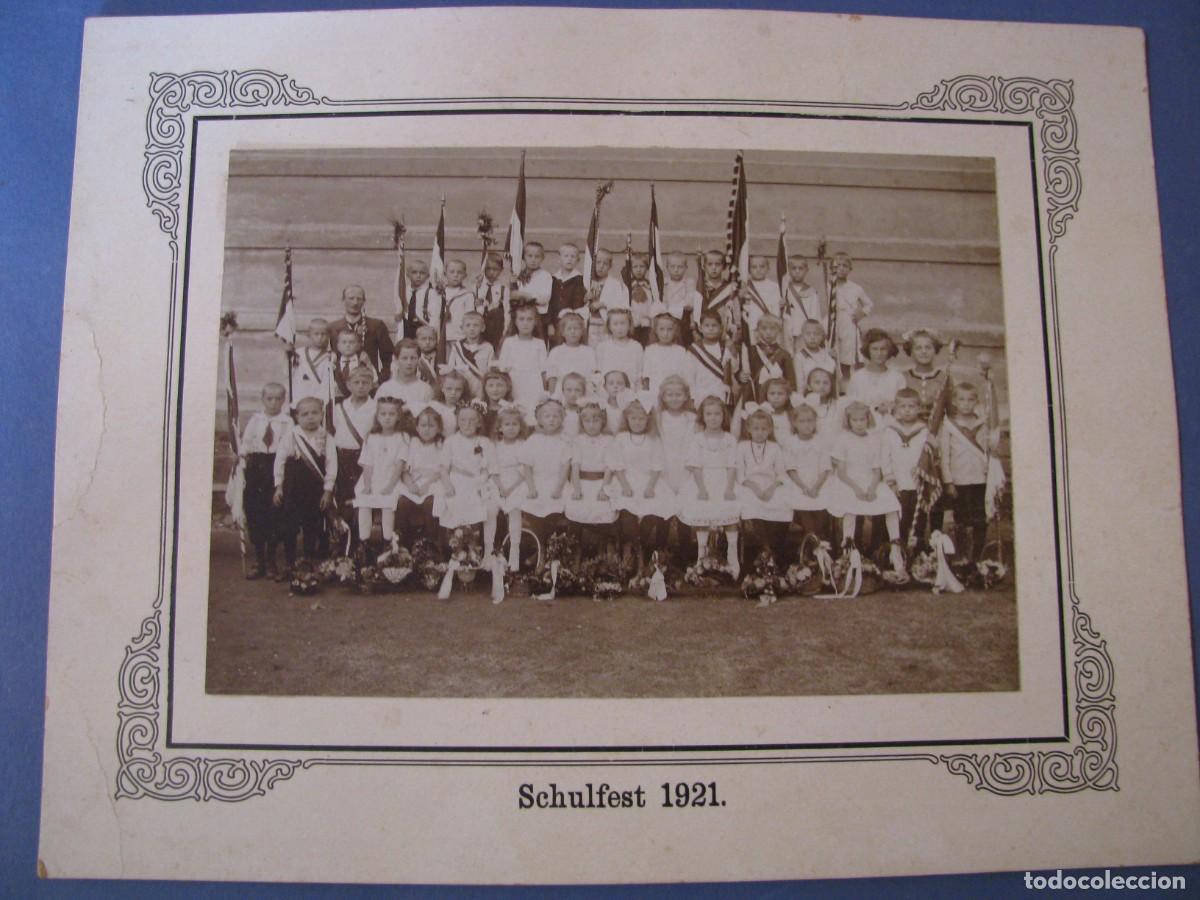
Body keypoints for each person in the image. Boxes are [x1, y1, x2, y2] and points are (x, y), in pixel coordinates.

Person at [825, 401, 905, 573]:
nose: (859, 423)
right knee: (850, 508)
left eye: (863, 419)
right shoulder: (843, 439)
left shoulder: (873, 439)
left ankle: (896, 552)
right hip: (849, 481)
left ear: (868, 420)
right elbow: (842, 473)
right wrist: (857, 489)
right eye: (855, 420)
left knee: (891, 503)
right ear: (849, 421)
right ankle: (848, 553)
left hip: (870, 480)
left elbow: (877, 470)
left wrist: (872, 488)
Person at [607, 391, 674, 575]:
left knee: (658, 506)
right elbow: (617, 464)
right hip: (626, 479)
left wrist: (651, 486)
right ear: (627, 419)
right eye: (633, 418)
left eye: (641, 418)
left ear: (648, 419)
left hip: (648, 480)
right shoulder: (620, 438)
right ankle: (631, 548)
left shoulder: (653, 439)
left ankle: (641, 546)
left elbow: (657, 465)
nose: (637, 422)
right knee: (626, 507)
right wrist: (625, 485)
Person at [272, 396, 337, 576]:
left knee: (312, 526)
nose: (310, 417)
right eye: (305, 414)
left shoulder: (326, 437)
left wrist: (328, 490)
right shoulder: (291, 435)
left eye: (314, 413)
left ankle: (307, 563)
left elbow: (332, 465)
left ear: (322, 415)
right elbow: (280, 461)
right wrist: (278, 486)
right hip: (293, 488)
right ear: (297, 417)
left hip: (315, 489)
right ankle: (289, 563)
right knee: (289, 527)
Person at [679, 394, 741, 578]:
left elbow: (732, 466)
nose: (713, 418)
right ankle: (701, 556)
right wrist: (702, 489)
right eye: (709, 414)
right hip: (703, 480)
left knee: (729, 513)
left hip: (724, 479)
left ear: (724, 416)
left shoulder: (729, 439)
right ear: (703, 417)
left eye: (717, 414)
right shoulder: (697, 439)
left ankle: (732, 555)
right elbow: (696, 466)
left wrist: (729, 488)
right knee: (703, 515)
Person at [939, 381, 1001, 563]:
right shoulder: (948, 424)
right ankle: (962, 558)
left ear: (976, 402)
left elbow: (990, 447)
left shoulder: (983, 423)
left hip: (981, 479)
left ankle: (977, 558)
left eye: (970, 400)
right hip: (959, 480)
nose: (966, 404)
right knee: (962, 520)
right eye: (962, 399)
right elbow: (945, 456)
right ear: (955, 402)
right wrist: (948, 481)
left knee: (981, 519)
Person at [238, 382, 292, 578]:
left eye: (278, 398)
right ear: (262, 399)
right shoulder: (256, 420)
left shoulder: (287, 422)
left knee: (274, 514)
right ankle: (259, 561)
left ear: (283, 400)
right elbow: (247, 441)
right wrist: (242, 455)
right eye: (269, 398)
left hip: (276, 466)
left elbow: (288, 446)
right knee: (256, 512)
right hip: (257, 467)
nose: (273, 403)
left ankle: (271, 561)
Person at [736, 406, 796, 570]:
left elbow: (781, 473)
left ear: (770, 430)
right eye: (756, 428)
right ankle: (766, 550)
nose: (760, 432)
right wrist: (755, 487)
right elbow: (740, 474)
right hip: (749, 485)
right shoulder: (742, 447)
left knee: (783, 504)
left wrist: (771, 488)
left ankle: (773, 549)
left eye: (764, 429)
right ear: (748, 429)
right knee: (751, 505)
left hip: (771, 485)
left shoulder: (774, 447)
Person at [435, 403, 498, 555]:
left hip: (478, 481)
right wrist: (448, 485)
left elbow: (491, 467)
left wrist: (482, 481)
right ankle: (455, 549)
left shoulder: (485, 442)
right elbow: (443, 467)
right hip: (456, 479)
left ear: (479, 422)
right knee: (455, 503)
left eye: (472, 420)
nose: (467, 424)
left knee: (479, 505)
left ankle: (473, 549)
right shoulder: (451, 441)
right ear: (457, 422)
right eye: (463, 420)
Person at [565, 402, 619, 561]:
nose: (591, 425)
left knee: (603, 509)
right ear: (582, 423)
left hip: (602, 482)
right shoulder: (578, 440)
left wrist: (604, 488)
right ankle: (575, 551)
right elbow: (575, 466)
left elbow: (610, 466)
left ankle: (602, 552)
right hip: (582, 482)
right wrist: (576, 488)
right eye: (587, 421)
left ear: (603, 421)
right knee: (576, 509)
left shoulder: (609, 440)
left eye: (595, 421)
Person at [329, 366, 378, 541]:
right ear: (348, 385)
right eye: (356, 383)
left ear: (372, 385)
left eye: (365, 383)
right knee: (343, 498)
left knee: (362, 499)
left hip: (364, 459)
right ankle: (343, 541)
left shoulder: (375, 408)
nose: (360, 386)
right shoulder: (339, 408)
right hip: (342, 458)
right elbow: (335, 429)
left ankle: (361, 540)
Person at [352, 397, 407, 547]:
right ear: (377, 416)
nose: (387, 418)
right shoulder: (371, 437)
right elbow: (367, 463)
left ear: (398, 416)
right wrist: (368, 484)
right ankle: (365, 542)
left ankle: (388, 540)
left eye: (392, 414)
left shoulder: (401, 437)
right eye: (383, 414)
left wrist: (390, 486)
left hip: (392, 478)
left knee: (388, 503)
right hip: (372, 477)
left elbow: (399, 465)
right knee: (364, 500)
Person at [518, 397, 573, 549]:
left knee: (555, 506)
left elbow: (565, 467)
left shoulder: (564, 441)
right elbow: (527, 467)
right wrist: (531, 488)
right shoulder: (533, 440)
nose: (552, 420)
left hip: (557, 482)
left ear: (562, 419)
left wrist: (559, 488)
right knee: (533, 505)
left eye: (556, 416)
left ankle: (552, 549)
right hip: (536, 481)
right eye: (547, 416)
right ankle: (540, 548)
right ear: (539, 419)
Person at [881, 388, 931, 546]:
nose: (907, 410)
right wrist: (890, 479)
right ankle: (897, 551)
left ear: (919, 408)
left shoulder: (925, 431)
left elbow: (929, 456)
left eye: (912, 406)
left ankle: (917, 552)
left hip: (918, 482)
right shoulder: (890, 430)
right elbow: (885, 456)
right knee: (900, 519)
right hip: (898, 482)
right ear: (895, 408)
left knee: (919, 520)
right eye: (903, 406)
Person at [395, 405, 445, 547]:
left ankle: (431, 544)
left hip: (433, 482)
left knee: (431, 503)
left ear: (439, 428)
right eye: (423, 425)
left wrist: (427, 485)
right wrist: (410, 484)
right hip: (413, 481)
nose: (427, 429)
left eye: (431, 426)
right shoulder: (412, 443)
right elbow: (404, 470)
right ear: (416, 427)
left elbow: (441, 470)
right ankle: (401, 543)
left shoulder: (441, 445)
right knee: (402, 502)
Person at [489, 404, 531, 571]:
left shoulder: (523, 444)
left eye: (515, 424)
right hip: (498, 481)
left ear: (520, 427)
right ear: (499, 427)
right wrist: (500, 487)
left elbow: (525, 470)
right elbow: (492, 469)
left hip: (518, 482)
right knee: (491, 510)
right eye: (507, 425)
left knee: (514, 511)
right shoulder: (495, 446)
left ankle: (514, 555)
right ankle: (490, 553)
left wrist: (511, 488)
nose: (511, 428)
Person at [785, 403, 832, 545]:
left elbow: (825, 468)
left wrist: (816, 487)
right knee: (802, 503)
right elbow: (790, 469)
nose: (807, 425)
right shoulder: (790, 442)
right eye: (802, 421)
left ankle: (815, 541)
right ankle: (814, 542)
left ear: (815, 422)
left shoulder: (821, 441)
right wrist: (804, 487)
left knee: (823, 502)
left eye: (810, 421)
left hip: (819, 482)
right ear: (794, 423)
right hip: (798, 483)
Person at [328, 284, 394, 382]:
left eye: (359, 299)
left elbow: (389, 358)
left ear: (364, 301)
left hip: (368, 382)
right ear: (343, 300)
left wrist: (380, 381)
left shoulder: (376, 326)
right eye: (351, 298)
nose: (355, 303)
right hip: (340, 384)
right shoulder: (333, 328)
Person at [496, 301, 549, 416]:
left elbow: (544, 371)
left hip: (534, 384)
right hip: (515, 383)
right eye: (521, 319)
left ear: (535, 322)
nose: (525, 323)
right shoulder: (509, 342)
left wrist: (545, 392)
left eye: (529, 319)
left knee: (532, 414)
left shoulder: (539, 343)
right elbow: (503, 369)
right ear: (515, 322)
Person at [847, 328, 905, 423]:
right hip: (863, 426)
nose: (879, 353)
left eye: (883, 349)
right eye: (874, 349)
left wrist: (890, 408)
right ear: (868, 350)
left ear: (889, 351)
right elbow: (851, 406)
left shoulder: (897, 377)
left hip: (891, 425)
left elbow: (902, 406)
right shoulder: (858, 377)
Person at [828, 252, 872, 379]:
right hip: (833, 322)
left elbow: (868, 304)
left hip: (848, 323)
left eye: (844, 266)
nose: (840, 269)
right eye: (837, 266)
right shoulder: (829, 286)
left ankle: (849, 382)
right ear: (831, 269)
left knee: (848, 356)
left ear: (850, 269)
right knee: (833, 354)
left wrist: (861, 314)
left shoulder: (855, 288)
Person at [738, 314, 797, 403]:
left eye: (772, 328)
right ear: (757, 330)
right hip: (755, 396)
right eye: (764, 328)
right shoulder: (750, 351)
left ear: (779, 331)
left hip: (777, 397)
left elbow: (791, 382)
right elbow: (741, 373)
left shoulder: (784, 354)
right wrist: (740, 376)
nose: (768, 332)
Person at [685, 310, 735, 406]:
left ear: (721, 328)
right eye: (707, 326)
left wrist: (733, 353)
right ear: (700, 328)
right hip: (701, 393)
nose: (710, 329)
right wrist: (692, 397)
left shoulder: (725, 347)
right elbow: (689, 376)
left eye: (714, 325)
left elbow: (734, 369)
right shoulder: (694, 350)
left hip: (720, 392)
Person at [901, 327, 952, 421]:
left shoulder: (944, 378)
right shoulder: (903, 377)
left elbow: (952, 409)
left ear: (935, 350)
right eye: (918, 348)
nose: (924, 351)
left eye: (928, 347)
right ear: (911, 351)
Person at [653, 251, 702, 345]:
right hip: (666, 319)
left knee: (683, 343)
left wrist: (672, 308)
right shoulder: (664, 283)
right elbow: (661, 301)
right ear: (667, 267)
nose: (676, 270)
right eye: (672, 266)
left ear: (686, 268)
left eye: (680, 267)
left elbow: (689, 303)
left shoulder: (689, 282)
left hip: (683, 320)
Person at [544, 311, 596, 394]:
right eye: (569, 329)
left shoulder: (589, 352)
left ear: (582, 331)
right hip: (561, 395)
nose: (573, 332)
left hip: (584, 394)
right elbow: (552, 378)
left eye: (576, 328)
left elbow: (592, 377)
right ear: (562, 333)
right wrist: (553, 399)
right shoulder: (556, 352)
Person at [510, 241, 554, 338]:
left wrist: (525, 295)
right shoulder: (519, 275)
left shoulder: (545, 276)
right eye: (530, 256)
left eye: (537, 256)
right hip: (522, 314)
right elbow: (514, 295)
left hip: (539, 316)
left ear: (542, 258)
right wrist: (513, 284)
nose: (533, 260)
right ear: (524, 257)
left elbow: (545, 298)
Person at [584, 249, 629, 345]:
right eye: (598, 263)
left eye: (605, 264)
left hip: (605, 322)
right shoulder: (586, 282)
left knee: (605, 346)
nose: (601, 266)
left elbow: (621, 304)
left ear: (610, 266)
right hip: (589, 323)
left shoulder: (615, 284)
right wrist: (586, 298)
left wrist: (603, 304)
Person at [594, 308, 643, 393]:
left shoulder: (636, 347)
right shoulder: (602, 347)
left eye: (623, 324)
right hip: (607, 393)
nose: (619, 327)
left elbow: (639, 375)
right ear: (609, 326)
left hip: (629, 392)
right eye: (615, 324)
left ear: (629, 325)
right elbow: (598, 373)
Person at [447, 310, 493, 398]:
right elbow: (451, 368)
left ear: (483, 328)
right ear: (462, 328)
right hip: (462, 387)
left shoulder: (487, 347)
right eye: (468, 325)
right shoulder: (457, 346)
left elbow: (490, 370)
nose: (472, 328)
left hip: (480, 386)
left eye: (476, 325)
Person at [782, 256, 825, 352]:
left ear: (806, 270)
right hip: (787, 331)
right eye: (794, 268)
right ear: (789, 270)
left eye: (800, 268)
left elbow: (815, 315)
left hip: (805, 333)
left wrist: (812, 331)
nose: (797, 271)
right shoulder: (784, 290)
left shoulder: (811, 292)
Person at [376, 338, 434, 408]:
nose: (409, 363)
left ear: (418, 360)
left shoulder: (425, 390)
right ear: (396, 360)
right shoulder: (385, 389)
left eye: (412, 358)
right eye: (404, 358)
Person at [642, 313, 688, 399]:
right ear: (656, 330)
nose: (665, 333)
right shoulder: (650, 350)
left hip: (674, 395)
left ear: (675, 331)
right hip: (655, 392)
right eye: (662, 329)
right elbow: (646, 378)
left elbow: (684, 377)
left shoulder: (680, 351)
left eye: (669, 329)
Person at [739, 255, 784, 339]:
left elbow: (776, 307)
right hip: (751, 326)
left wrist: (774, 323)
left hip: (769, 327)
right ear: (749, 270)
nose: (758, 270)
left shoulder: (774, 286)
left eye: (762, 266)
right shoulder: (745, 287)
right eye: (754, 267)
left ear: (768, 268)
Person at [548, 243, 587, 336]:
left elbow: (579, 303)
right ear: (559, 259)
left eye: (573, 256)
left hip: (572, 323)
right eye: (566, 256)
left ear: (578, 260)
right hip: (555, 322)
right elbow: (550, 303)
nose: (569, 259)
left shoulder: (580, 280)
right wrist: (549, 323)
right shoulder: (553, 279)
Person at [291, 318, 331, 405]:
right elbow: (290, 374)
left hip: (319, 398)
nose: (320, 337)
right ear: (308, 335)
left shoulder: (330, 357)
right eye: (316, 334)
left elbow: (327, 383)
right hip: (300, 395)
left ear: (328, 336)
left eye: (323, 334)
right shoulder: (298, 353)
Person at [474, 253, 510, 349]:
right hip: (478, 326)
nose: (491, 272)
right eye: (488, 269)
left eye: (495, 269)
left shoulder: (504, 289)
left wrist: (505, 330)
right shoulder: (477, 287)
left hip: (496, 328)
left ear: (501, 270)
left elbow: (507, 311)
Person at [400, 260, 441, 341]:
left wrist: (431, 331)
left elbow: (435, 315)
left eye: (422, 273)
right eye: (414, 272)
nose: (418, 276)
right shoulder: (404, 291)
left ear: (428, 275)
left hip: (423, 327)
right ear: (408, 274)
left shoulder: (431, 293)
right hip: (406, 327)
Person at [329, 329, 375, 401]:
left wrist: (368, 364)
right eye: (344, 342)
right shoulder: (333, 364)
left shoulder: (363, 363)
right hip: (338, 401)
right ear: (338, 346)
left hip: (359, 400)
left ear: (358, 345)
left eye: (351, 342)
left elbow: (374, 381)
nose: (348, 345)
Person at [792, 318, 836, 392]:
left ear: (822, 336)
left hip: (826, 394)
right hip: (809, 395)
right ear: (802, 336)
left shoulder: (826, 355)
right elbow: (800, 383)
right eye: (808, 334)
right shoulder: (799, 357)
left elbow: (833, 378)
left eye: (816, 334)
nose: (812, 337)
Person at [441, 259, 478, 343]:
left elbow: (469, 317)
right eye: (452, 272)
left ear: (465, 275)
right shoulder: (439, 292)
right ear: (445, 274)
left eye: (459, 272)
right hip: (441, 335)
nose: (455, 275)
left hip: (459, 336)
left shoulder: (467, 294)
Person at [429, 369, 470, 437]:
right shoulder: (434, 406)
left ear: (463, 390)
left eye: (458, 389)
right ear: (442, 388)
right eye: (449, 389)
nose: (453, 393)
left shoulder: (465, 409)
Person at [627, 253, 656, 345]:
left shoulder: (650, 286)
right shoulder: (628, 287)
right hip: (632, 323)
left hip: (646, 324)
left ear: (647, 268)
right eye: (635, 267)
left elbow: (652, 305)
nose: (638, 270)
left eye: (642, 266)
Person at [558, 371, 589, 437]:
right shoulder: (559, 411)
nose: (573, 394)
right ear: (563, 391)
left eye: (577, 390)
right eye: (569, 390)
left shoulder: (585, 411)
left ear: (583, 392)